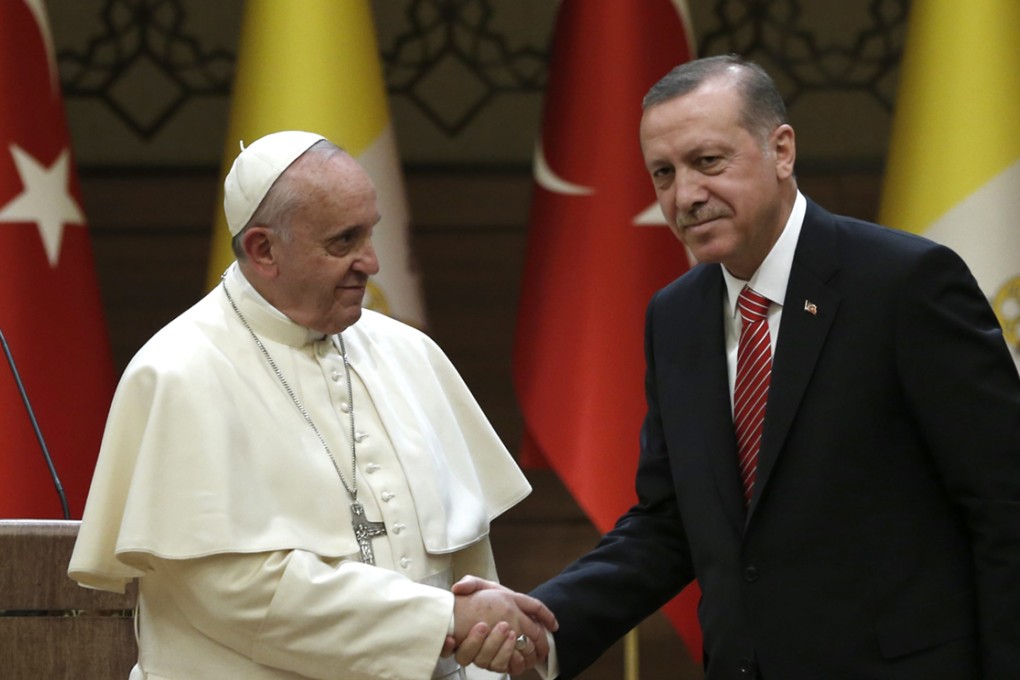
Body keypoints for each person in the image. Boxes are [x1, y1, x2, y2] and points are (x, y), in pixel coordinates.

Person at [458, 55, 1020, 679]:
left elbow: (1003, 504)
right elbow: (670, 522)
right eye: (663, 174)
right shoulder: (676, 317)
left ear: (781, 151)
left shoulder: (904, 285)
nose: (686, 196)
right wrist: (543, 621)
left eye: (708, 162)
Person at [68, 130, 556, 680]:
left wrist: (486, 644)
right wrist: (441, 620)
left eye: (371, 233)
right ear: (263, 250)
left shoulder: (409, 353)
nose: (371, 262)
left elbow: (469, 564)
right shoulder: (180, 372)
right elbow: (231, 592)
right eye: (343, 242)